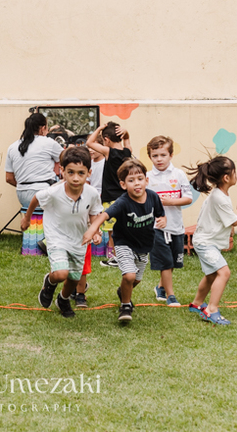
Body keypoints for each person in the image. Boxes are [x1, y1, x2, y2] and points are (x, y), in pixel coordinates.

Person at [21, 146, 102, 318]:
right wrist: (27, 218)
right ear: (62, 171)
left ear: (89, 172)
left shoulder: (92, 193)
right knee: (61, 273)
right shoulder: (53, 192)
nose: (75, 178)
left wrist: (95, 231)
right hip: (56, 237)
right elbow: (36, 198)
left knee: (73, 278)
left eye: (81, 173)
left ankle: (63, 299)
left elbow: (94, 214)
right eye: (70, 172)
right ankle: (49, 283)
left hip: (79, 240)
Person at [82, 158, 165, 324]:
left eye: (140, 179)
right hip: (123, 244)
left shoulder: (153, 197)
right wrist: (92, 229)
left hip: (144, 245)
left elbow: (160, 214)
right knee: (129, 275)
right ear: (123, 184)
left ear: (146, 180)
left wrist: (163, 220)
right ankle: (125, 305)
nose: (137, 183)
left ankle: (123, 292)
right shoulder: (122, 202)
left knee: (136, 280)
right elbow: (104, 215)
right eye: (131, 180)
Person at [187, 155, 237, 326]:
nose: (236, 175)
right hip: (206, 243)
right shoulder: (220, 198)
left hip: (205, 241)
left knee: (212, 274)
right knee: (224, 272)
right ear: (227, 178)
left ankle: (197, 303)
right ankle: (211, 309)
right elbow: (235, 221)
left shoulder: (219, 194)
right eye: (234, 172)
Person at [146, 136, 193, 307]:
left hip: (176, 226)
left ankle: (160, 287)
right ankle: (171, 295)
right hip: (157, 228)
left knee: (172, 262)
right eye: (155, 155)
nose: (159, 159)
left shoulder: (179, 174)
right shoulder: (147, 177)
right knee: (165, 262)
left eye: (163, 155)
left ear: (171, 155)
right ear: (150, 157)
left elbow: (188, 198)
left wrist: (169, 202)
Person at [86, 121, 133, 268]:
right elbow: (127, 142)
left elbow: (89, 142)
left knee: (113, 231)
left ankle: (114, 258)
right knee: (123, 229)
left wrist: (99, 128)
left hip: (111, 198)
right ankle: (125, 256)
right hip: (125, 198)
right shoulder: (127, 152)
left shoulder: (109, 152)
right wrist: (127, 134)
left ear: (106, 139)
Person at [5, 112, 62, 210]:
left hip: (22, 195)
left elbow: (9, 178)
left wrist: (27, 185)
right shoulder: (49, 143)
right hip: (43, 191)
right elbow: (67, 159)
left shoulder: (12, 147)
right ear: (43, 128)